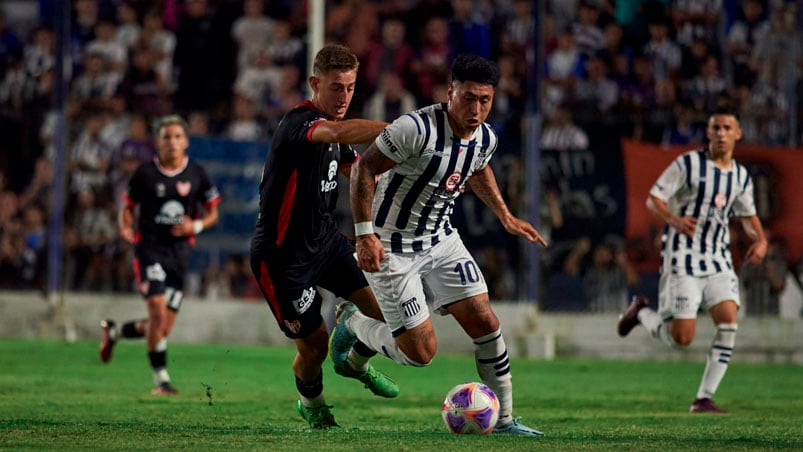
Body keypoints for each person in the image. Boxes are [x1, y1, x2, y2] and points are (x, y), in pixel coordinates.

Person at [334, 54, 547, 436]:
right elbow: (365, 168)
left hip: (441, 241)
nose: (477, 108)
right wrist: (365, 234)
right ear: (450, 92)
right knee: (420, 354)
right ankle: (356, 323)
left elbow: (478, 166)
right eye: (468, 98)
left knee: (486, 322)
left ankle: (504, 420)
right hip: (391, 247)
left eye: (485, 100)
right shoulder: (414, 129)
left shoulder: (485, 136)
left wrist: (505, 215)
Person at [248, 44, 398, 430]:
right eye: (335, 87)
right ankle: (312, 404)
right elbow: (337, 130)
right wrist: (400, 131)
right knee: (313, 347)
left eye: (349, 87)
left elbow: (365, 175)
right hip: (283, 259)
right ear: (315, 83)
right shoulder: (301, 123)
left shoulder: (335, 134)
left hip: (327, 244)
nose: (344, 96)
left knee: (388, 308)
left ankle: (354, 358)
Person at [617, 108, 768, 413]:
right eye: (716, 128)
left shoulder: (740, 176)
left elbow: (748, 216)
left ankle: (703, 398)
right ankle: (642, 312)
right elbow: (653, 200)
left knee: (728, 321)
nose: (721, 133)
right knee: (681, 339)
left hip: (718, 259)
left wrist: (761, 240)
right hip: (682, 257)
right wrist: (674, 220)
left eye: (727, 128)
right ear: (708, 133)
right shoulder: (687, 164)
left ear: (738, 133)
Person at [98, 115, 221, 395]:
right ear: (157, 142)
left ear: (186, 142)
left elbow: (213, 212)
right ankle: (161, 380)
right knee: (156, 312)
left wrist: (196, 225)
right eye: (167, 137)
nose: (172, 142)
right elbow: (127, 207)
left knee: (161, 327)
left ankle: (114, 333)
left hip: (179, 255)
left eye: (178, 136)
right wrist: (126, 227)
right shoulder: (145, 174)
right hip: (149, 250)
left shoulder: (197, 174)